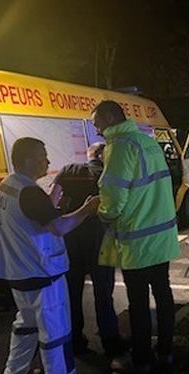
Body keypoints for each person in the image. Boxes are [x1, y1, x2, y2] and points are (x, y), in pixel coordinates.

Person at [0, 137, 97, 374]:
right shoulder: (30, 192)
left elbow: (27, 218)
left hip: (18, 274)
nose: (48, 162)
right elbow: (58, 227)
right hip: (43, 275)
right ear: (28, 160)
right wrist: (86, 210)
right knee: (55, 331)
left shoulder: (8, 185)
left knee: (25, 327)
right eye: (43, 156)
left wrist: (49, 202)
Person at [91, 101, 180, 374]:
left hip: (138, 243)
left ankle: (141, 360)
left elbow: (113, 200)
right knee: (164, 296)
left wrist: (102, 214)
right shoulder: (147, 142)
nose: (96, 130)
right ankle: (165, 352)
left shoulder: (119, 146)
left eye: (97, 123)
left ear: (109, 118)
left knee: (139, 304)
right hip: (161, 237)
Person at [50, 143, 125, 356]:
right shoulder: (107, 174)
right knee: (103, 291)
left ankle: (75, 341)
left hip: (71, 237)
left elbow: (52, 199)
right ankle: (110, 340)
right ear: (101, 155)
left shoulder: (67, 170)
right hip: (100, 238)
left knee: (72, 291)